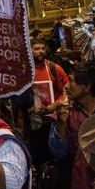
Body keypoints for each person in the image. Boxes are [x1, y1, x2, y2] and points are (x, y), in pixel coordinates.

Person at [49, 61, 95, 189]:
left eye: (71, 81)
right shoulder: (67, 112)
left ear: (87, 87)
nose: (66, 86)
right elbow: (58, 152)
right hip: (79, 181)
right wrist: (62, 123)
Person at [29, 37, 68, 168]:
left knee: (55, 157)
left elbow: (66, 92)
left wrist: (55, 105)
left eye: (43, 48)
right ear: (30, 51)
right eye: (36, 49)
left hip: (53, 123)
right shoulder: (24, 71)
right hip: (32, 125)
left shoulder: (54, 68)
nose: (40, 51)